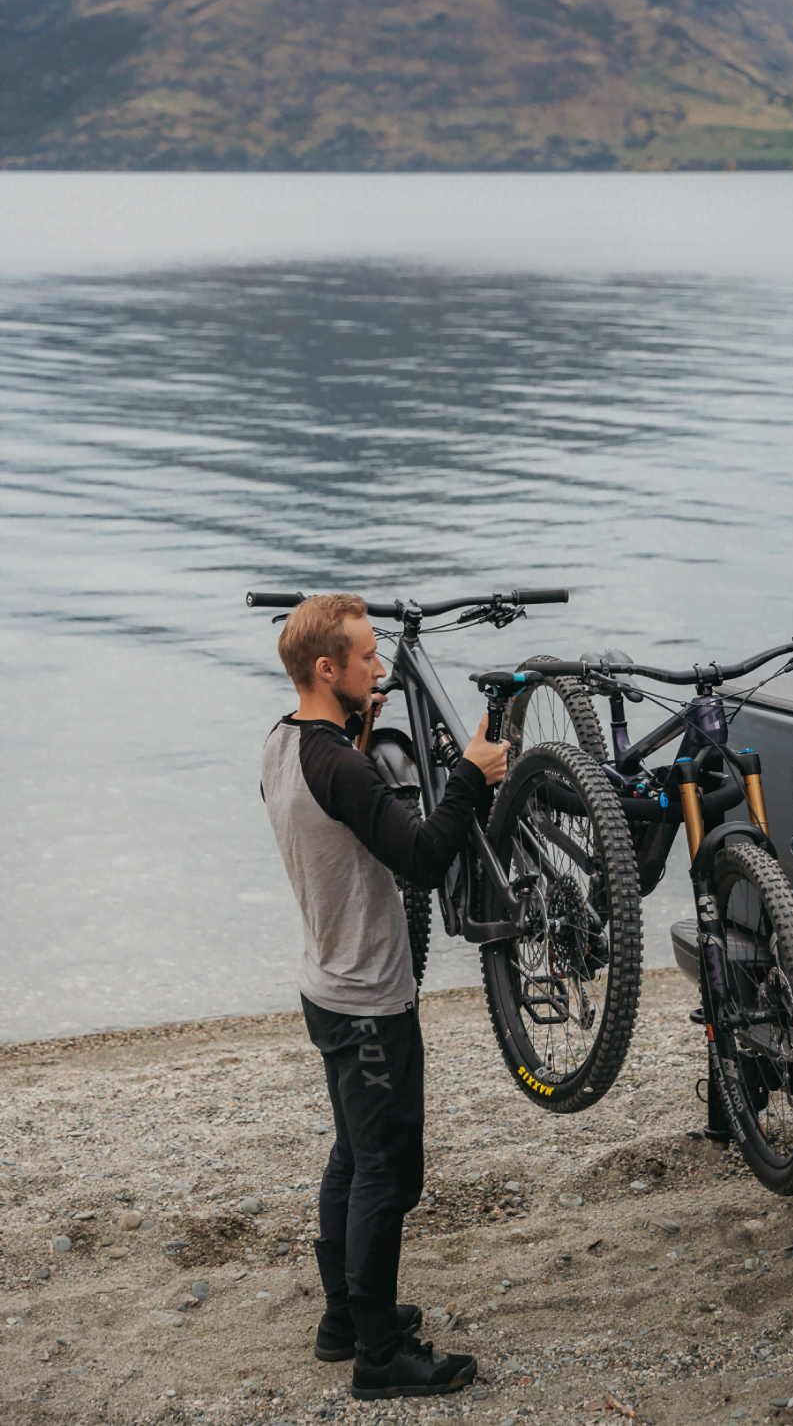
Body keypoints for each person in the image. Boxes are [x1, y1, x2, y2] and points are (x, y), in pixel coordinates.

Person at [260, 593, 510, 1401]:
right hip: (368, 1001)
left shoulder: (286, 743)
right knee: (386, 1175)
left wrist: (364, 736)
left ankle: (344, 1318)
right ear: (326, 667)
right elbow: (425, 856)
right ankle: (378, 1357)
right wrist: (472, 775)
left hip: (326, 986)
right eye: (367, 657)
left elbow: (342, 813)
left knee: (351, 1158)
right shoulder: (340, 764)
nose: (380, 669)